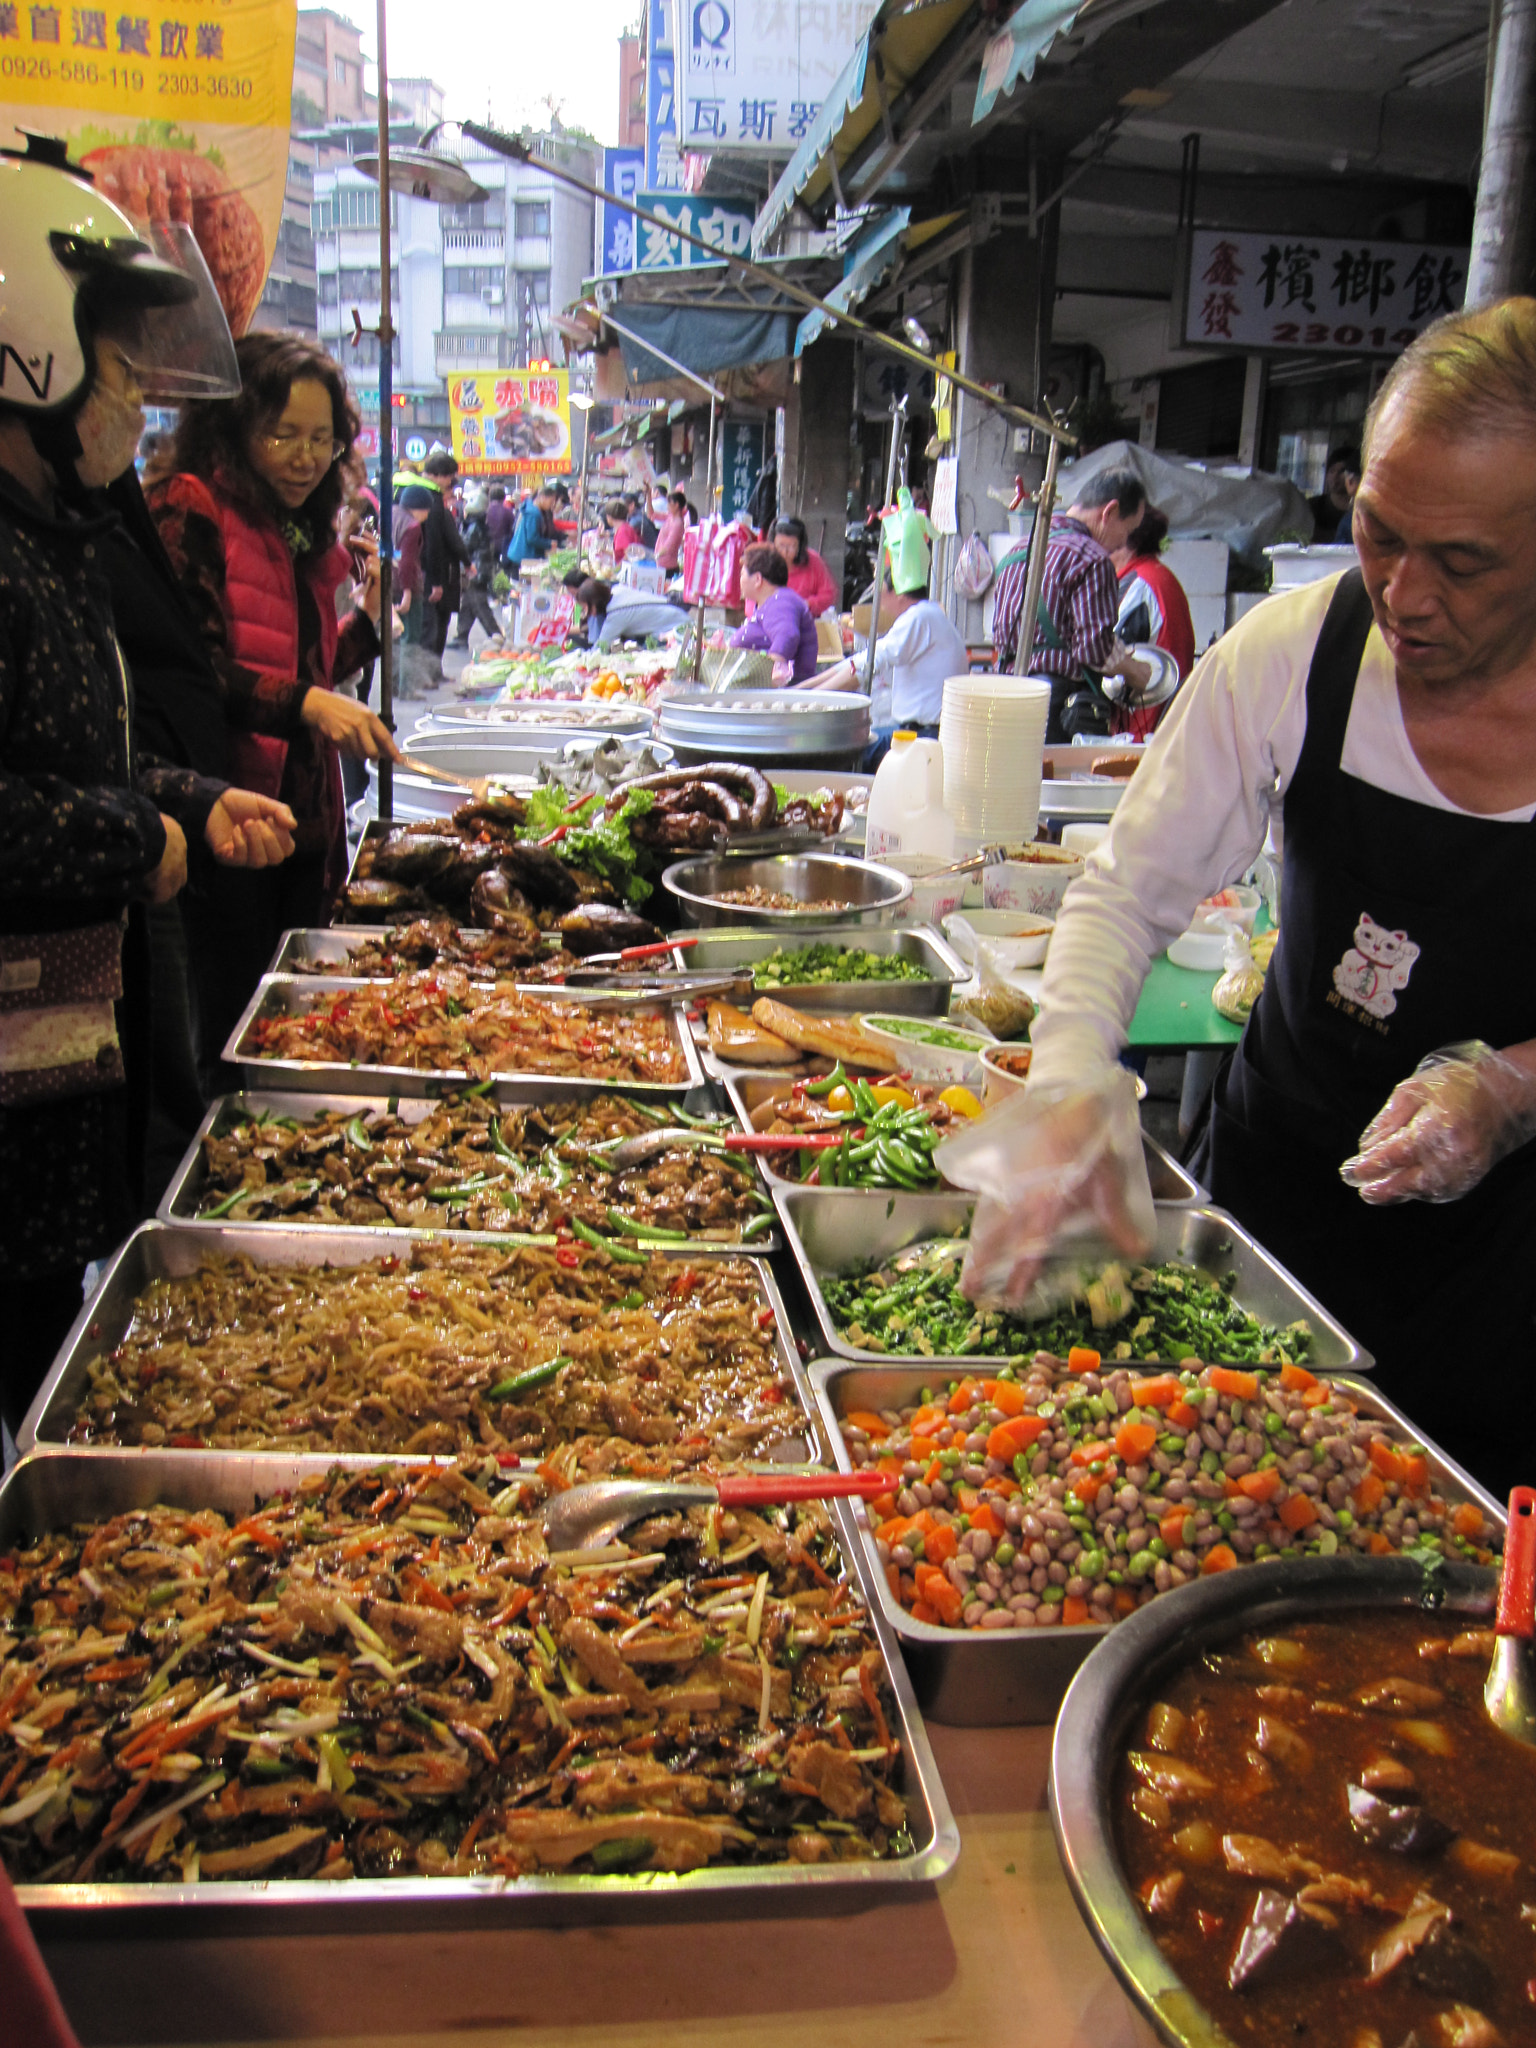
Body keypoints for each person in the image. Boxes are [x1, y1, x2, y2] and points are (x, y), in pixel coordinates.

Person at [945, 297, 1536, 1499]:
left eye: (1462, 562)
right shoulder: (1292, 654)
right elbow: (1123, 891)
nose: (1404, 594)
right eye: (1377, 532)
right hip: (1274, 1202)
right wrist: (1068, 1084)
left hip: (1508, 1277)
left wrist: (1511, 1087)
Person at [0, 139, 297, 1435]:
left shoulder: (59, 541)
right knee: (14, 1321)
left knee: (53, 1301)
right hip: (18, 1008)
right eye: (121, 367)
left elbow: (82, 755)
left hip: (61, 1015)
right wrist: (140, 840)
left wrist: (185, 803)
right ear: (34, 358)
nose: (135, 402)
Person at [149, 332, 399, 1077]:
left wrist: (368, 624)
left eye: (320, 438)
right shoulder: (190, 506)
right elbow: (189, 671)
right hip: (231, 822)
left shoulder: (300, 533)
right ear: (233, 423)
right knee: (235, 1035)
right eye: (281, 433)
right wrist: (310, 706)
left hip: (306, 824)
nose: (303, 456)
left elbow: (308, 671)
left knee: (300, 1024)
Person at [990, 469, 1153, 741]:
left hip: (1005, 704)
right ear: (1109, 512)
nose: (1125, 543)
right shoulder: (1091, 558)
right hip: (1058, 717)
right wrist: (1136, 672)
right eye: (1128, 530)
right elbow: (1094, 650)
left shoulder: (1017, 552)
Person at [814, 575, 968, 766]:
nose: (880, 601)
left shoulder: (919, 617)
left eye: (882, 591)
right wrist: (805, 689)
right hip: (920, 731)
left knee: (843, 754)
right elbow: (862, 659)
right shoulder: (929, 614)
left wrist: (813, 700)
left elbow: (867, 666)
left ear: (898, 593)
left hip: (924, 737)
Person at [1109, 503, 1197, 740]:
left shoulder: (1139, 585)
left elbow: (1105, 654)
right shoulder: (1160, 576)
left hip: (1142, 730)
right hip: (1164, 726)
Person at [732, 542, 819, 682]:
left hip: (778, 695)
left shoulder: (781, 602)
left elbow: (787, 635)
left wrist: (772, 672)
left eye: (742, 574)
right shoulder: (772, 602)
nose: (740, 580)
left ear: (757, 579)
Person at [420, 449, 468, 660]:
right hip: (429, 575)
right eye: (449, 478)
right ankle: (426, 675)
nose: (450, 484)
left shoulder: (427, 496)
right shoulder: (430, 500)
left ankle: (430, 674)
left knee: (432, 626)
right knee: (429, 628)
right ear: (438, 475)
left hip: (427, 573)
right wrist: (436, 582)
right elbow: (434, 544)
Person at [567, 574, 690, 648]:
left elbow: (600, 648)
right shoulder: (617, 590)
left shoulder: (616, 614)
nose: (585, 612)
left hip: (675, 629)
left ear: (594, 602)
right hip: (676, 614)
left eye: (585, 607)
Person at [451, 483, 501, 650]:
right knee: (467, 604)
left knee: (479, 605)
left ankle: (496, 635)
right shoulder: (476, 523)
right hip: (478, 569)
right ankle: (462, 636)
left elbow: (464, 546)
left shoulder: (473, 526)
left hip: (476, 571)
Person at [772, 516, 838, 616]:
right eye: (781, 545)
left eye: (791, 547)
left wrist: (807, 604)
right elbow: (752, 600)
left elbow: (829, 594)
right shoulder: (764, 561)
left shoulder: (814, 561)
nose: (785, 552)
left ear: (800, 547)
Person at [1309, 444, 1360, 543]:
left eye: (1341, 471)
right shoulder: (1313, 506)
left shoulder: (1359, 513)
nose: (1335, 476)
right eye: (1332, 471)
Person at [506, 481, 558, 569]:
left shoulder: (531, 508)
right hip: (523, 556)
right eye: (551, 501)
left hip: (520, 554)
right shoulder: (534, 513)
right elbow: (532, 538)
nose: (552, 504)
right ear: (543, 497)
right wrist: (549, 543)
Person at [655, 487, 689, 573]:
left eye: (669, 503)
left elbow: (668, 546)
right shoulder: (670, 517)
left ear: (676, 505)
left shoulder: (678, 524)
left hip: (668, 567)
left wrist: (655, 556)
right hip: (661, 564)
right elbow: (651, 514)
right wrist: (648, 494)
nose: (667, 505)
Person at [603, 496, 639, 562]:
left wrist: (616, 569)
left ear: (610, 517)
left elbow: (628, 554)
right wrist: (605, 552)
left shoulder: (623, 531)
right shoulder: (624, 528)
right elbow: (620, 554)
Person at [485, 481, 513, 555]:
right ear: (503, 497)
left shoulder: (485, 511)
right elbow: (512, 530)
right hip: (504, 547)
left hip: (487, 546)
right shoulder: (508, 512)